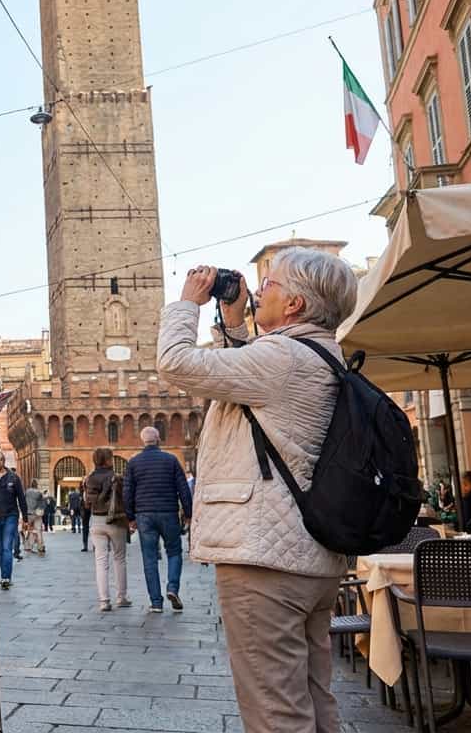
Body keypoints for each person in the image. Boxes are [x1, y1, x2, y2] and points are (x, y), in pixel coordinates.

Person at [157, 251, 358, 733]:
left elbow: (175, 363)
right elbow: (246, 382)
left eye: (272, 282)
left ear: (293, 304)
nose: (260, 286)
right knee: (312, 696)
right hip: (308, 557)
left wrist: (187, 305)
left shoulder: (282, 358)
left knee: (274, 711)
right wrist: (233, 325)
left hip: (266, 563)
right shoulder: (320, 355)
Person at [124, 426, 193, 614]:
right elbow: (183, 489)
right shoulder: (171, 460)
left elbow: (127, 492)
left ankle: (156, 602)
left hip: (144, 515)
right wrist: (188, 513)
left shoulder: (134, 463)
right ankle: (172, 588)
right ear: (158, 439)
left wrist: (130, 517)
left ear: (143, 441)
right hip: (168, 512)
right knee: (174, 552)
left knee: (149, 558)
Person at [83, 448, 130, 612]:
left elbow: (88, 503)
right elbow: (125, 499)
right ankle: (121, 597)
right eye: (111, 458)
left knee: (100, 561)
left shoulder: (90, 478)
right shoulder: (116, 478)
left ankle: (104, 601)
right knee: (119, 558)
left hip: (96, 521)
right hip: (115, 520)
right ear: (107, 461)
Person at [0, 450, 28, 589]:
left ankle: (6, 577)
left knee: (6, 547)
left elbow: (21, 498)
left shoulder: (13, 478)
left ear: (3, 462)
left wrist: (26, 517)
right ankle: (5, 576)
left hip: (11, 515)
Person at [24, 479, 46, 555]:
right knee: (38, 531)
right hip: (36, 514)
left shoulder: (27, 491)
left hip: (28, 513)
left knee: (29, 531)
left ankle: (28, 547)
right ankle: (41, 547)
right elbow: (43, 504)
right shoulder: (39, 493)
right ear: (37, 485)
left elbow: (24, 501)